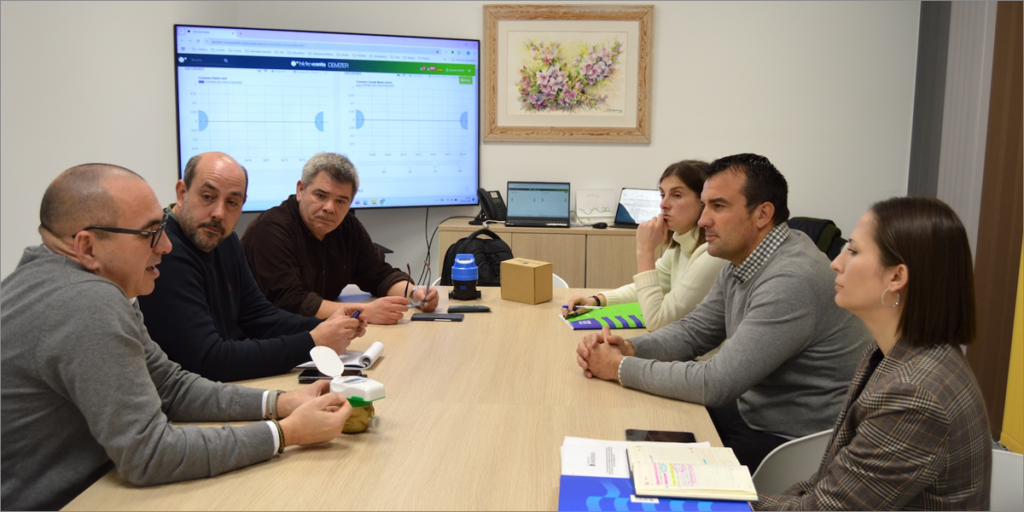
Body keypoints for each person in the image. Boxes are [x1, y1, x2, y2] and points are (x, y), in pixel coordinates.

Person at [1, 164, 353, 511]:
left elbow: (169, 386)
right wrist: (286, 433)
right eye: (150, 233)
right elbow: (149, 454)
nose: (166, 246)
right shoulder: (86, 302)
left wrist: (279, 403)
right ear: (88, 247)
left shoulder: (67, 277)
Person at [575, 153, 872, 470]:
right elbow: (694, 332)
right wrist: (632, 348)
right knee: (631, 435)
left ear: (762, 214)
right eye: (705, 206)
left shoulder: (792, 279)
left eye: (718, 206)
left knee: (647, 473)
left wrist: (620, 367)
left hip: (788, 439)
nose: (703, 221)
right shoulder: (744, 257)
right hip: (750, 407)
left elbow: (715, 383)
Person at [756, 197, 992, 510]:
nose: (835, 263)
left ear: (896, 277)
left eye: (852, 251)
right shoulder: (890, 354)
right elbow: (826, 483)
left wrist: (717, 504)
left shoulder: (914, 395)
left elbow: (827, 508)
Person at [137, 152, 366, 382]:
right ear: (182, 193)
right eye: (207, 196)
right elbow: (208, 360)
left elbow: (258, 315)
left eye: (232, 202)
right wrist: (314, 341)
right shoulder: (162, 251)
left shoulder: (224, 240)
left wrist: (328, 325)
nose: (219, 213)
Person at [241, 152, 438, 324]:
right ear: (301, 190)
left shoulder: (347, 227)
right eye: (320, 195)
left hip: (320, 331)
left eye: (341, 201)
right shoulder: (270, 230)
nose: (329, 208)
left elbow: (379, 274)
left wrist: (415, 294)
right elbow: (290, 303)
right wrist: (363, 312)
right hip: (263, 338)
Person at [563, 160, 727, 330]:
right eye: (663, 195)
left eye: (677, 195)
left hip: (702, 357)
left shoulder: (711, 255)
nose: (663, 204)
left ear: (704, 201)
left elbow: (656, 322)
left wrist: (645, 251)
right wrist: (597, 300)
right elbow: (647, 287)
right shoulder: (681, 244)